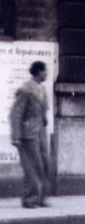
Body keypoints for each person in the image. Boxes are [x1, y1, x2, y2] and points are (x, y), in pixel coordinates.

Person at [9, 61, 51, 209]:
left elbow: (43, 110)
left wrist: (43, 120)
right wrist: (16, 136)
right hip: (28, 134)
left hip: (41, 133)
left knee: (44, 164)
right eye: (45, 71)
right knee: (32, 166)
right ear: (39, 72)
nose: (47, 74)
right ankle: (29, 199)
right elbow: (16, 114)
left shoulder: (43, 89)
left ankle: (40, 198)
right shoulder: (26, 89)